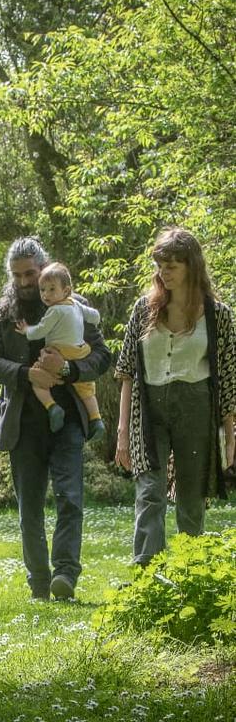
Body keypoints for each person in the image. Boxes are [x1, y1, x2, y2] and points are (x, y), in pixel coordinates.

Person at [0, 238, 110, 601]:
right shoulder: (0, 313)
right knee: (30, 509)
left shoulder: (74, 306)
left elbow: (101, 356)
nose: (24, 281)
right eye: (17, 275)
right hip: (23, 421)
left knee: (70, 498)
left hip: (68, 416)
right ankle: (38, 583)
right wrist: (26, 374)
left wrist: (68, 369)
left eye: (31, 274)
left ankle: (65, 575)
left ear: (45, 269)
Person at [115, 227, 235, 566]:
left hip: (196, 405)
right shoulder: (143, 309)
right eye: (160, 265)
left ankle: (189, 571)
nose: (163, 273)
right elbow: (126, 372)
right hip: (149, 406)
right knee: (149, 491)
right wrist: (123, 431)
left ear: (191, 267)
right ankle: (146, 572)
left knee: (191, 497)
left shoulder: (218, 315)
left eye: (172, 266)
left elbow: (227, 377)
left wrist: (229, 436)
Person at [15, 262, 105, 440]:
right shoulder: (76, 305)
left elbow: (40, 330)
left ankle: (52, 407)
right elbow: (94, 316)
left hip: (59, 351)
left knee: (38, 380)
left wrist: (27, 331)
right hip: (80, 351)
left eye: (51, 289)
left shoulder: (54, 311)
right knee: (86, 389)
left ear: (66, 291)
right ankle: (96, 419)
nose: (46, 295)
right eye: (42, 290)